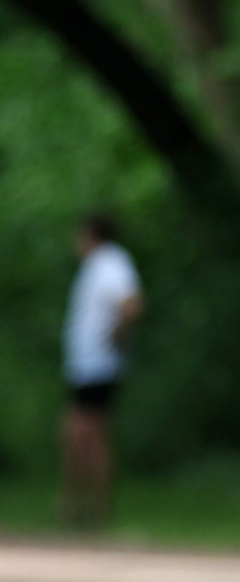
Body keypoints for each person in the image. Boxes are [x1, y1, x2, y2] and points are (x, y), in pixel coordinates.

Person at [59, 212, 141, 528]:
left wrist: (116, 335)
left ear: (90, 234)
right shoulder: (99, 265)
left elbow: (132, 304)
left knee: (83, 434)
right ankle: (84, 507)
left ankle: (89, 506)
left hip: (97, 365)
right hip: (87, 364)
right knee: (84, 434)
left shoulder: (110, 263)